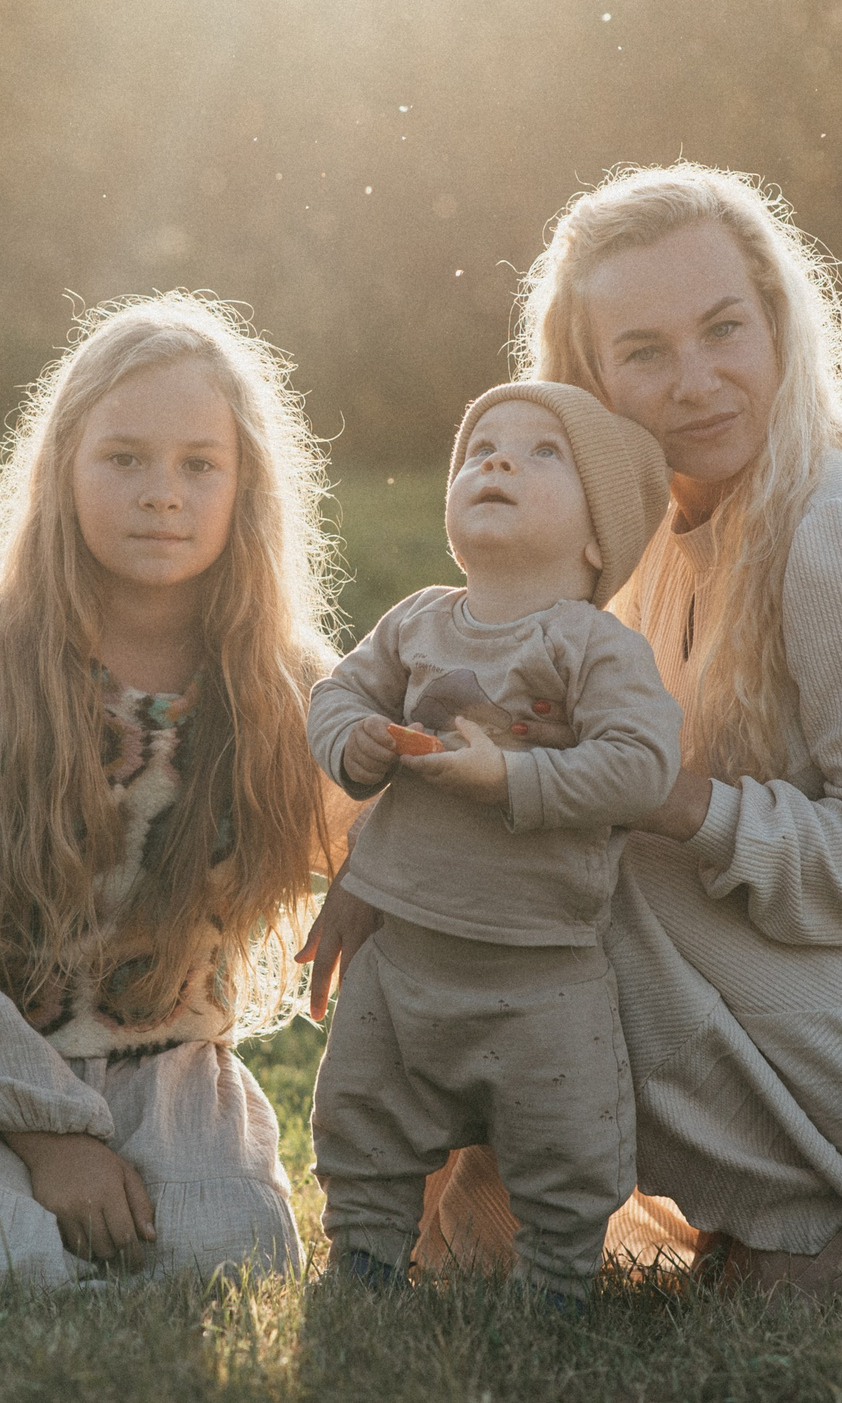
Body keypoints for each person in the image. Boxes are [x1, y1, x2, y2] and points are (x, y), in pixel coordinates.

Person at [302, 164, 842, 1304]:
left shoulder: (840, 534)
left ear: (778, 327)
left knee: (560, 860)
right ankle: (786, 1240)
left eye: (724, 328)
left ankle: (828, 1224)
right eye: (643, 353)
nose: (695, 381)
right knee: (505, 834)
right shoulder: (661, 537)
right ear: (586, 382)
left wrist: (671, 800)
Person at [0, 294, 338, 1300]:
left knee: (231, 1256)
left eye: (198, 464)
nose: (162, 492)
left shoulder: (280, 680)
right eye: (123, 457)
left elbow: (367, 840)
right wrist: (48, 1138)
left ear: (244, 484)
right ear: (63, 471)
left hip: (154, 1061)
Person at [306, 381, 681, 1301]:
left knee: (565, 1141)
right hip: (402, 959)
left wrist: (510, 779)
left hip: (540, 972)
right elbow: (336, 695)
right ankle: (364, 1260)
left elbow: (642, 768)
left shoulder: (594, 647)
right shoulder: (417, 621)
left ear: (600, 537)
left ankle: (554, 1285)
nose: (499, 460)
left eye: (540, 452)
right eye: (482, 448)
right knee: (365, 1116)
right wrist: (352, 741)